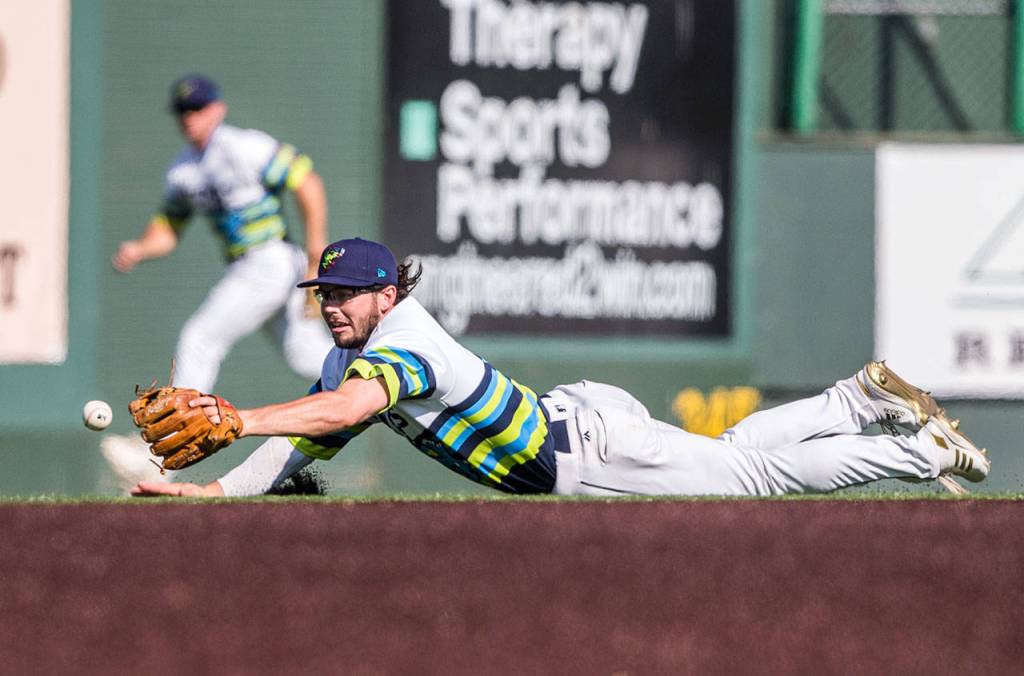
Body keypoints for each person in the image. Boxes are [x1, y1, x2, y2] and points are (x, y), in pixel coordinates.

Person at [132, 237, 991, 499]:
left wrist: (239, 415)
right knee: (739, 455)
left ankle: (922, 451)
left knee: (756, 477)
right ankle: (856, 397)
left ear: (389, 294)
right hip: (578, 429)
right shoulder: (350, 354)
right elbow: (299, 451)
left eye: (350, 292)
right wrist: (207, 494)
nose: (333, 304)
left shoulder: (403, 345)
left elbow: (342, 415)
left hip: (587, 453)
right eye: (326, 291)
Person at [103, 74, 334, 490]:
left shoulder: (243, 146)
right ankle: (381, 387)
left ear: (218, 109)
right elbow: (168, 230)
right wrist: (140, 248)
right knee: (307, 357)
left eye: (198, 108)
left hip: (271, 260)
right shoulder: (183, 172)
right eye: (183, 111)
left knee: (200, 338)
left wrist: (317, 251)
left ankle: (159, 456)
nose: (189, 118)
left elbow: (306, 180)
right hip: (253, 266)